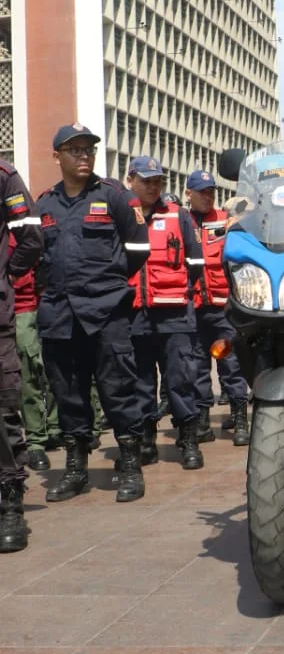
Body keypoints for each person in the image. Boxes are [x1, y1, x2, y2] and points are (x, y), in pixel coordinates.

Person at [35, 124, 148, 504]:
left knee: (118, 389)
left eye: (88, 149)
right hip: (60, 314)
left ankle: (130, 466)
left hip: (106, 311)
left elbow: (137, 250)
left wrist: (107, 283)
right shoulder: (44, 204)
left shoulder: (115, 195)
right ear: (58, 156)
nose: (84, 155)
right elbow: (38, 262)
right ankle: (76, 469)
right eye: (74, 149)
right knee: (68, 394)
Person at [127, 157, 205, 469]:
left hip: (175, 313)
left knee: (181, 379)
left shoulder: (178, 216)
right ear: (131, 179)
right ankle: (146, 440)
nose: (152, 185)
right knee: (141, 382)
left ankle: (188, 439)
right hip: (135, 314)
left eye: (157, 180)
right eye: (145, 180)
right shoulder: (123, 215)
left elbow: (196, 263)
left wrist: (177, 291)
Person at [185, 169, 250, 446]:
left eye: (211, 191)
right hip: (193, 306)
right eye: (201, 192)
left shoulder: (225, 221)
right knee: (197, 366)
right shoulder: (180, 221)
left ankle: (240, 417)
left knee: (230, 363)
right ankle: (202, 420)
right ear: (189, 194)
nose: (207, 197)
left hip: (224, 306)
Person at [0, 161, 43, 552]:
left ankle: (10, 503)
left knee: (2, 408)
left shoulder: (3, 175)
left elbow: (31, 237)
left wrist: (6, 275)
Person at [11, 235, 61, 473]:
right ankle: (32, 440)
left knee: (40, 372)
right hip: (16, 309)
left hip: (32, 306)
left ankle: (43, 435)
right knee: (23, 376)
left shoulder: (24, 227)